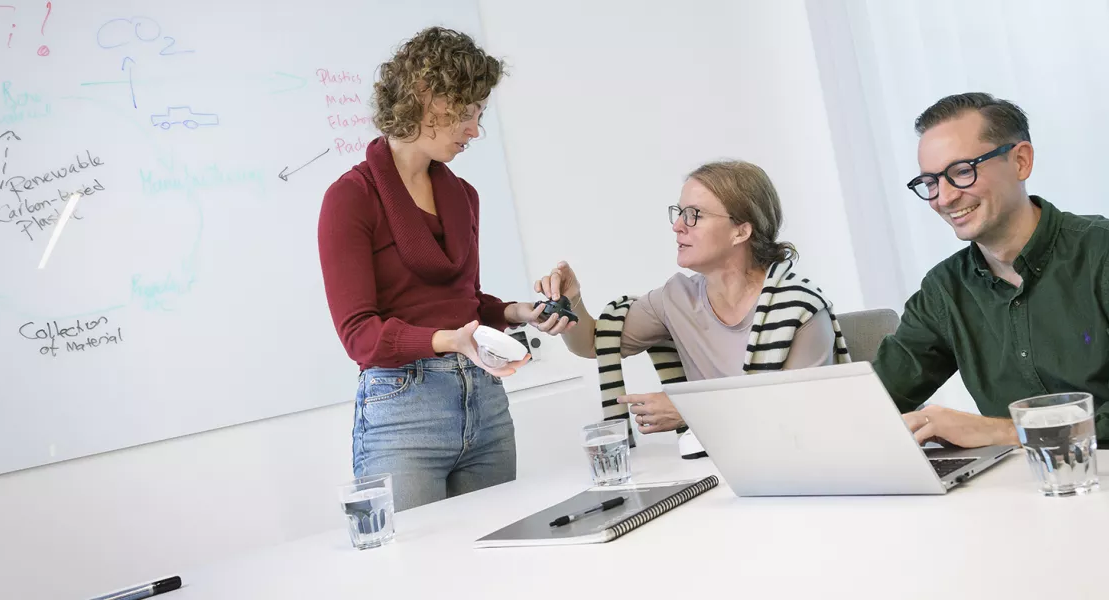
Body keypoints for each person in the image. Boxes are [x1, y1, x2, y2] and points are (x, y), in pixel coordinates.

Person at [317, 27, 575, 510]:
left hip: (485, 400)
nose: (475, 130)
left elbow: (466, 304)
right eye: (468, 111)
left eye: (479, 114)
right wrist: (451, 340)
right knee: (416, 557)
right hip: (403, 410)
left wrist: (520, 312)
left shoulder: (463, 196)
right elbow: (359, 336)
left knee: (498, 550)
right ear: (426, 94)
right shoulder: (350, 198)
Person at [873, 92, 1109, 451]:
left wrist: (1003, 433)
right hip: (1026, 485)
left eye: (962, 172)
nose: (944, 198)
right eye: (930, 182)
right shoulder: (944, 290)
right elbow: (872, 403)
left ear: (1021, 161)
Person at [537, 160, 850, 435]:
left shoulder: (800, 309)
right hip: (717, 469)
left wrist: (693, 411)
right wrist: (572, 299)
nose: (677, 227)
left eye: (694, 215)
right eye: (679, 213)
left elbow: (803, 420)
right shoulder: (677, 300)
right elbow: (594, 342)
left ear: (741, 231)